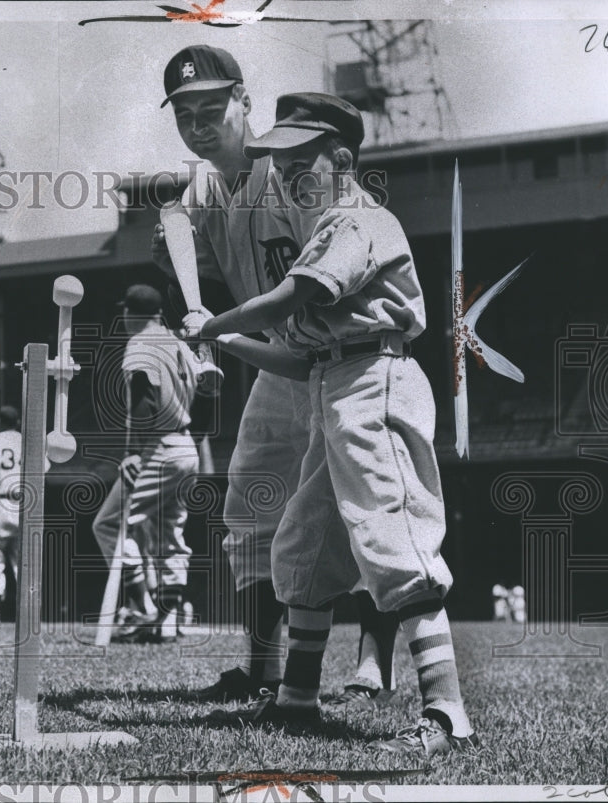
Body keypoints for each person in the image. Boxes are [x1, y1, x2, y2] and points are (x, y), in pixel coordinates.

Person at [193, 92, 479, 755]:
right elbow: (297, 358)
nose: (289, 175)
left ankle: (446, 713)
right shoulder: (325, 228)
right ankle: (297, 701)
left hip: (376, 381)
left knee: (392, 533)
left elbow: (297, 296)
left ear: (342, 159)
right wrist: (224, 342)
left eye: (302, 161)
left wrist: (218, 320)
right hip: (333, 379)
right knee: (304, 543)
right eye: (281, 165)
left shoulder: (357, 219)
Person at [155, 45, 399, 705]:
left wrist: (227, 326)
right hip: (281, 363)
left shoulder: (286, 170)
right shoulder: (202, 191)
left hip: (347, 359)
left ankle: (372, 669)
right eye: (184, 113)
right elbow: (176, 234)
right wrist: (200, 310)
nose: (199, 124)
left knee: (367, 513)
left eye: (212, 108)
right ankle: (263, 669)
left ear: (245, 103)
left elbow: (341, 265)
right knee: (251, 513)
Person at [91, 285, 217, 643]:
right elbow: (210, 391)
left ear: (131, 313)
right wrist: (194, 439)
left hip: (158, 445)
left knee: (109, 524)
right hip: (185, 445)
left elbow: (143, 394)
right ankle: (167, 621)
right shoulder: (179, 342)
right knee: (169, 538)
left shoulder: (141, 342)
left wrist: (132, 450)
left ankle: (141, 608)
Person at [0, 404, 48, 626]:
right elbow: (42, 476)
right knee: (23, 561)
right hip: (26, 504)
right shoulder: (30, 443)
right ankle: (29, 612)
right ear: (18, 423)